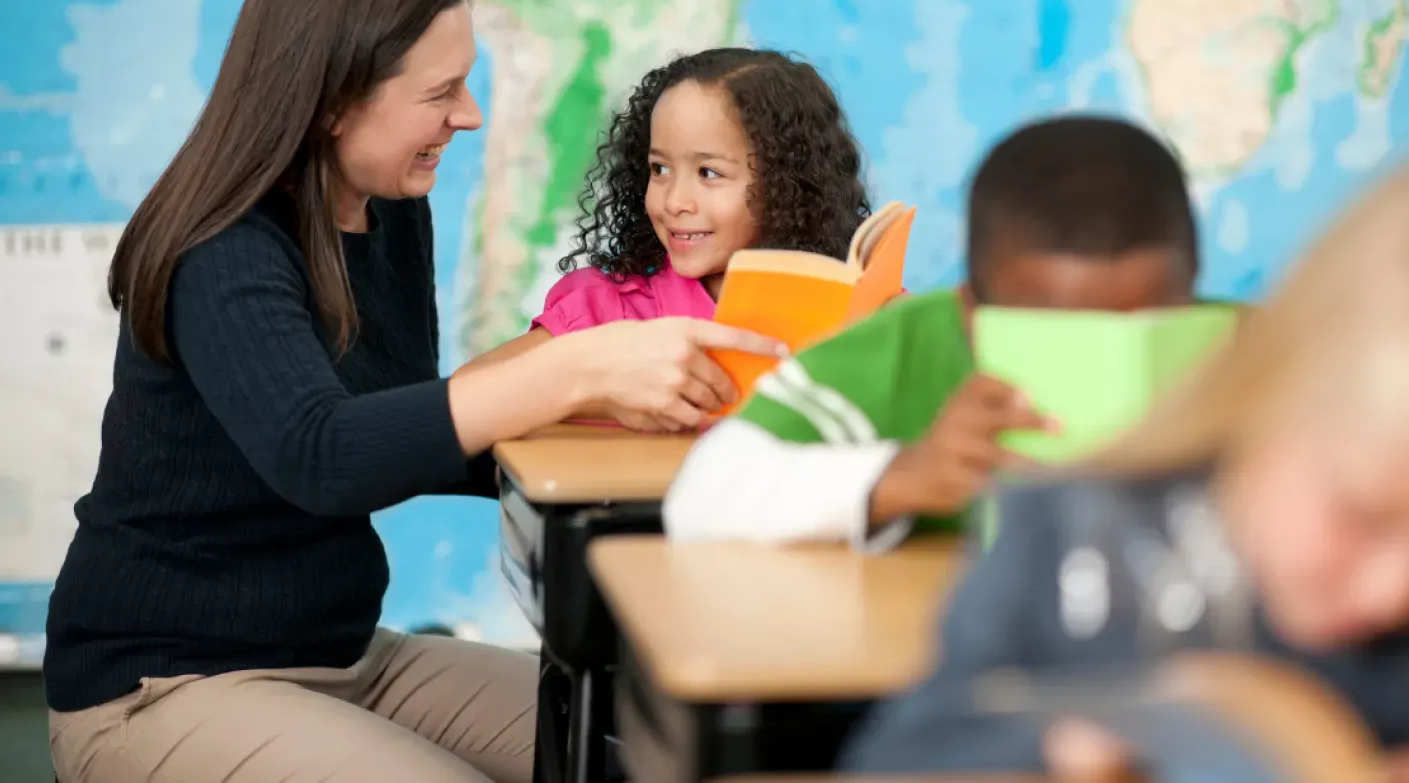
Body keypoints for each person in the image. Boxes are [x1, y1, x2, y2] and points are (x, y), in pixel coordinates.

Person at [43, 0, 783, 783]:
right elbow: (326, 454)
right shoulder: (224, 246)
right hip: (163, 684)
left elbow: (405, 424)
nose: (467, 117)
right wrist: (573, 368)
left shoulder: (389, 208)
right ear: (332, 101)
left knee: (654, 748)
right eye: (439, 93)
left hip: (345, 656)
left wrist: (644, 412)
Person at [838, 166, 1409, 780]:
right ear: (1268, 395)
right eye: (1361, 513)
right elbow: (899, 759)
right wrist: (1065, 750)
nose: (1391, 589)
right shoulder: (1067, 533)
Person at [663, 114, 1201, 550]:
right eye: (1051, 334)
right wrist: (901, 476)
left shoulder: (1234, 354)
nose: (1097, 360)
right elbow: (699, 499)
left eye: (1146, 326)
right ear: (970, 312)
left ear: (1192, 296)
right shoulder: (906, 351)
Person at [468, 47, 871, 432]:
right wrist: (593, 388)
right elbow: (467, 397)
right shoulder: (604, 312)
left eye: (708, 173)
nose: (674, 201)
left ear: (786, 185)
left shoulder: (857, 310)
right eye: (659, 169)